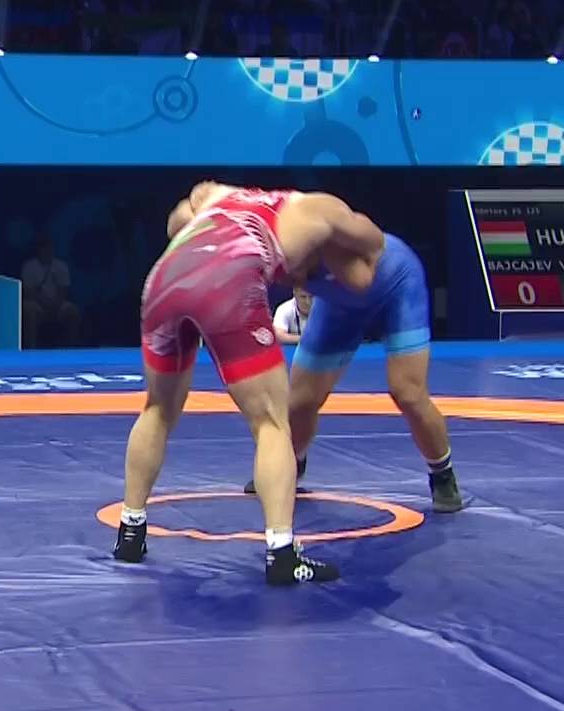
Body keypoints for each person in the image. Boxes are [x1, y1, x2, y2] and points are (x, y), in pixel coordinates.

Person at [116, 181, 386, 586]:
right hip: (230, 277)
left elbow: (175, 225)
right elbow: (373, 245)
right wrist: (330, 263)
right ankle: (282, 554)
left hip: (164, 280)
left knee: (157, 408)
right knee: (272, 423)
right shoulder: (320, 209)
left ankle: (130, 531)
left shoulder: (216, 195)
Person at [244, 232, 462, 514]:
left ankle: (442, 473)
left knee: (408, 393)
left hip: (396, 285)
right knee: (300, 400)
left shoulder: (323, 232)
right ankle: (290, 463)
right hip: (339, 301)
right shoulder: (267, 252)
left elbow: (365, 255)